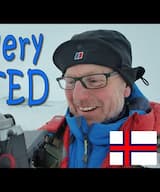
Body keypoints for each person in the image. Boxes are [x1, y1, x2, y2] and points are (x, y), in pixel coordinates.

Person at [32, 29, 160, 168]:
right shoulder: (48, 140)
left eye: (93, 81)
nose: (78, 96)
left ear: (126, 86)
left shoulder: (149, 140)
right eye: (71, 82)